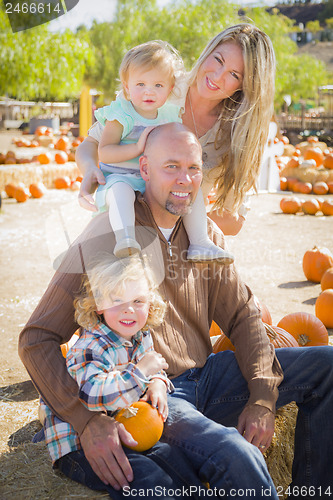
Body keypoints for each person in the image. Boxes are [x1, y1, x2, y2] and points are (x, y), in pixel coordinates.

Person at [20, 123, 333, 499]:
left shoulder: (205, 235)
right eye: (171, 167)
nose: (185, 179)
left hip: (208, 377)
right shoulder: (108, 232)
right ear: (145, 169)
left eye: (194, 168)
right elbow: (36, 338)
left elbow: (244, 316)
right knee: (239, 458)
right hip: (155, 392)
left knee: (328, 365)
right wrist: (83, 420)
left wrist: (263, 397)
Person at [76, 23, 275, 237]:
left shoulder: (236, 134)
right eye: (218, 60)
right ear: (208, 51)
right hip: (121, 230)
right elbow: (92, 143)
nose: (217, 76)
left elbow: (233, 220)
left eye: (234, 74)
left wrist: (181, 221)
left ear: (245, 85)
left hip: (179, 244)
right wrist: (89, 168)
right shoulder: (158, 86)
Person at [40, 254, 185, 494]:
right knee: (149, 479)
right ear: (98, 304)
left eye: (138, 300)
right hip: (80, 443)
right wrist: (140, 373)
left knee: (177, 462)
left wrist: (157, 382)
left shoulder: (141, 335)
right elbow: (93, 395)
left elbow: (153, 366)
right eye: (117, 300)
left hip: (119, 426)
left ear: (150, 303)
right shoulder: (90, 347)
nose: (129, 310)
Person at [93, 40, 233, 263]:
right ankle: (126, 239)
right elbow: (104, 152)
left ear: (169, 89)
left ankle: (200, 242)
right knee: (122, 192)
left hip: (152, 183)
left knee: (189, 192)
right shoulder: (121, 114)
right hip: (120, 178)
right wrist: (137, 148)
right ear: (127, 87)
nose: (149, 91)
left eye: (158, 85)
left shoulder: (169, 115)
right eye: (140, 85)